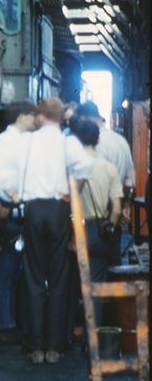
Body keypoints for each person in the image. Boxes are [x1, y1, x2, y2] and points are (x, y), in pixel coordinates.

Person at [16, 97, 93, 365]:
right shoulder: (67, 142)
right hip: (59, 211)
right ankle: (55, 348)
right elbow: (86, 168)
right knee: (60, 279)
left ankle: (36, 348)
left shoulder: (27, 142)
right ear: (61, 118)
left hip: (34, 210)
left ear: (39, 116)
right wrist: (73, 192)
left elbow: (9, 176)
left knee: (34, 279)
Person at [0, 101, 37, 344]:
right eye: (32, 116)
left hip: (23, 212)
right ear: (22, 117)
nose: (35, 120)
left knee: (21, 271)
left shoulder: (23, 140)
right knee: (11, 270)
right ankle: (7, 325)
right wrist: (0, 210)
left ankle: (18, 322)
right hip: (12, 215)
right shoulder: (7, 141)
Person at [68, 118, 123, 335]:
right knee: (96, 284)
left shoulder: (72, 169)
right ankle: (96, 335)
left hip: (76, 230)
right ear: (97, 140)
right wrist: (110, 225)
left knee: (72, 282)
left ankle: (71, 331)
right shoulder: (108, 168)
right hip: (99, 230)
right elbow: (117, 209)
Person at [75, 101, 135, 264]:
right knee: (112, 261)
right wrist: (126, 206)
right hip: (116, 213)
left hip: (98, 215)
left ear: (85, 118)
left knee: (94, 266)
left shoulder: (96, 143)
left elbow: (95, 182)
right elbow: (130, 177)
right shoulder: (120, 141)